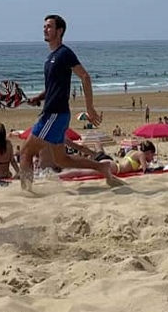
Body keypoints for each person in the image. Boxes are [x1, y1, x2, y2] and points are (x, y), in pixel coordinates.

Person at [16, 15, 125, 190]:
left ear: (60, 31)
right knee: (61, 159)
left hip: (54, 114)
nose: (45, 29)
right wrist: (38, 97)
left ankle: (26, 191)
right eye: (44, 26)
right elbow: (52, 87)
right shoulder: (50, 57)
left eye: (49, 26)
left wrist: (89, 107)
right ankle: (101, 167)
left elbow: (85, 76)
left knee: (25, 152)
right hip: (56, 114)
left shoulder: (64, 53)